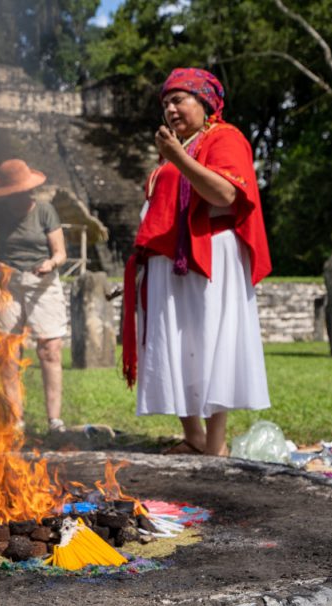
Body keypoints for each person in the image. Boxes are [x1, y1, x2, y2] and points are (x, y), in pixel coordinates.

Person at [122, 67, 271, 456]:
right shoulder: (177, 149)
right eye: (165, 102)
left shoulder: (225, 138)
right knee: (177, 343)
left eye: (178, 100)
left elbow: (223, 194)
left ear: (204, 103)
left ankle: (215, 445)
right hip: (169, 261)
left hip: (210, 254)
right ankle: (194, 438)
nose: (170, 109)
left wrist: (176, 157)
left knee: (208, 342)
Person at [0, 159, 68, 433]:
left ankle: (54, 420)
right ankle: (15, 419)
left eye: (23, 191)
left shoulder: (44, 211)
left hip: (41, 281)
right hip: (7, 282)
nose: (20, 196)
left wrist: (50, 264)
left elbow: (60, 253)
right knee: (9, 351)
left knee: (50, 349)